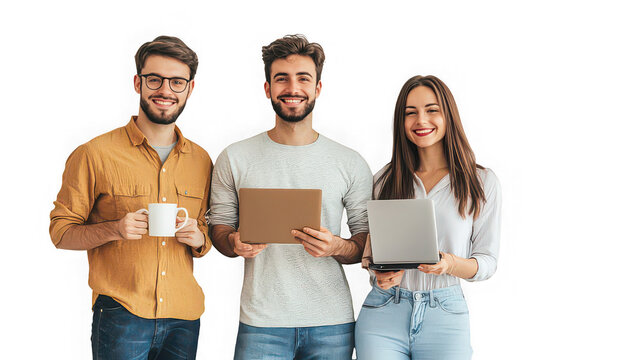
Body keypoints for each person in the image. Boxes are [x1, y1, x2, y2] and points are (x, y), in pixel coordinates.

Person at [208, 34, 372, 360]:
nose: (292, 88)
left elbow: (365, 242)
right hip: (261, 322)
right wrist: (234, 242)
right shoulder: (235, 157)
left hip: (332, 322)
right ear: (268, 88)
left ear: (318, 89)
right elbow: (219, 229)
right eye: (281, 78)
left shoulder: (349, 162)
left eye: (303, 78)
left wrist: (337, 246)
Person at [49, 36, 213, 360]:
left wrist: (199, 238)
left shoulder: (202, 161)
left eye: (177, 82)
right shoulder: (94, 154)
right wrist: (116, 229)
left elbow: (207, 231)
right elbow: (60, 233)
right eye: (155, 79)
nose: (165, 90)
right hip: (121, 313)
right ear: (138, 82)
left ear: (190, 89)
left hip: (185, 317)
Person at [355, 75, 502, 359]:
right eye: (411, 113)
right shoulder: (382, 180)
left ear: (448, 115)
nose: (421, 120)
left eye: (431, 110)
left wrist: (449, 263)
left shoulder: (482, 182)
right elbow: (371, 255)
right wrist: (378, 274)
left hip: (445, 314)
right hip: (383, 313)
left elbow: (487, 262)